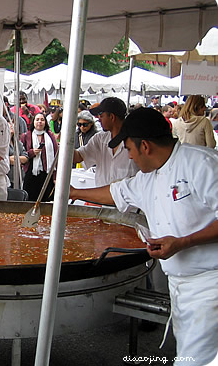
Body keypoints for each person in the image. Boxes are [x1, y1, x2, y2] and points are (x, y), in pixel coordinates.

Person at [69, 107, 218, 366]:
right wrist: (72, 193)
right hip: (180, 285)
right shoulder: (148, 177)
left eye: (128, 149)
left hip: (210, 284)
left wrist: (184, 242)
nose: (129, 156)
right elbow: (115, 193)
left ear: (145, 146)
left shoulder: (202, 164)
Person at [72, 97, 139, 187]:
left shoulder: (136, 141)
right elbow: (79, 157)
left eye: (101, 115)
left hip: (128, 199)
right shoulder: (99, 139)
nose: (99, 119)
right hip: (102, 198)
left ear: (111, 117)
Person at [21, 113, 58, 201]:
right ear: (33, 122)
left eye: (42, 120)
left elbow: (56, 155)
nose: (39, 122)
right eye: (37, 119)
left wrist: (55, 177)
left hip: (47, 173)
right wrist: (31, 152)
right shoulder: (26, 136)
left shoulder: (50, 136)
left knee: (46, 199)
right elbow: (21, 153)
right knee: (30, 198)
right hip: (31, 172)